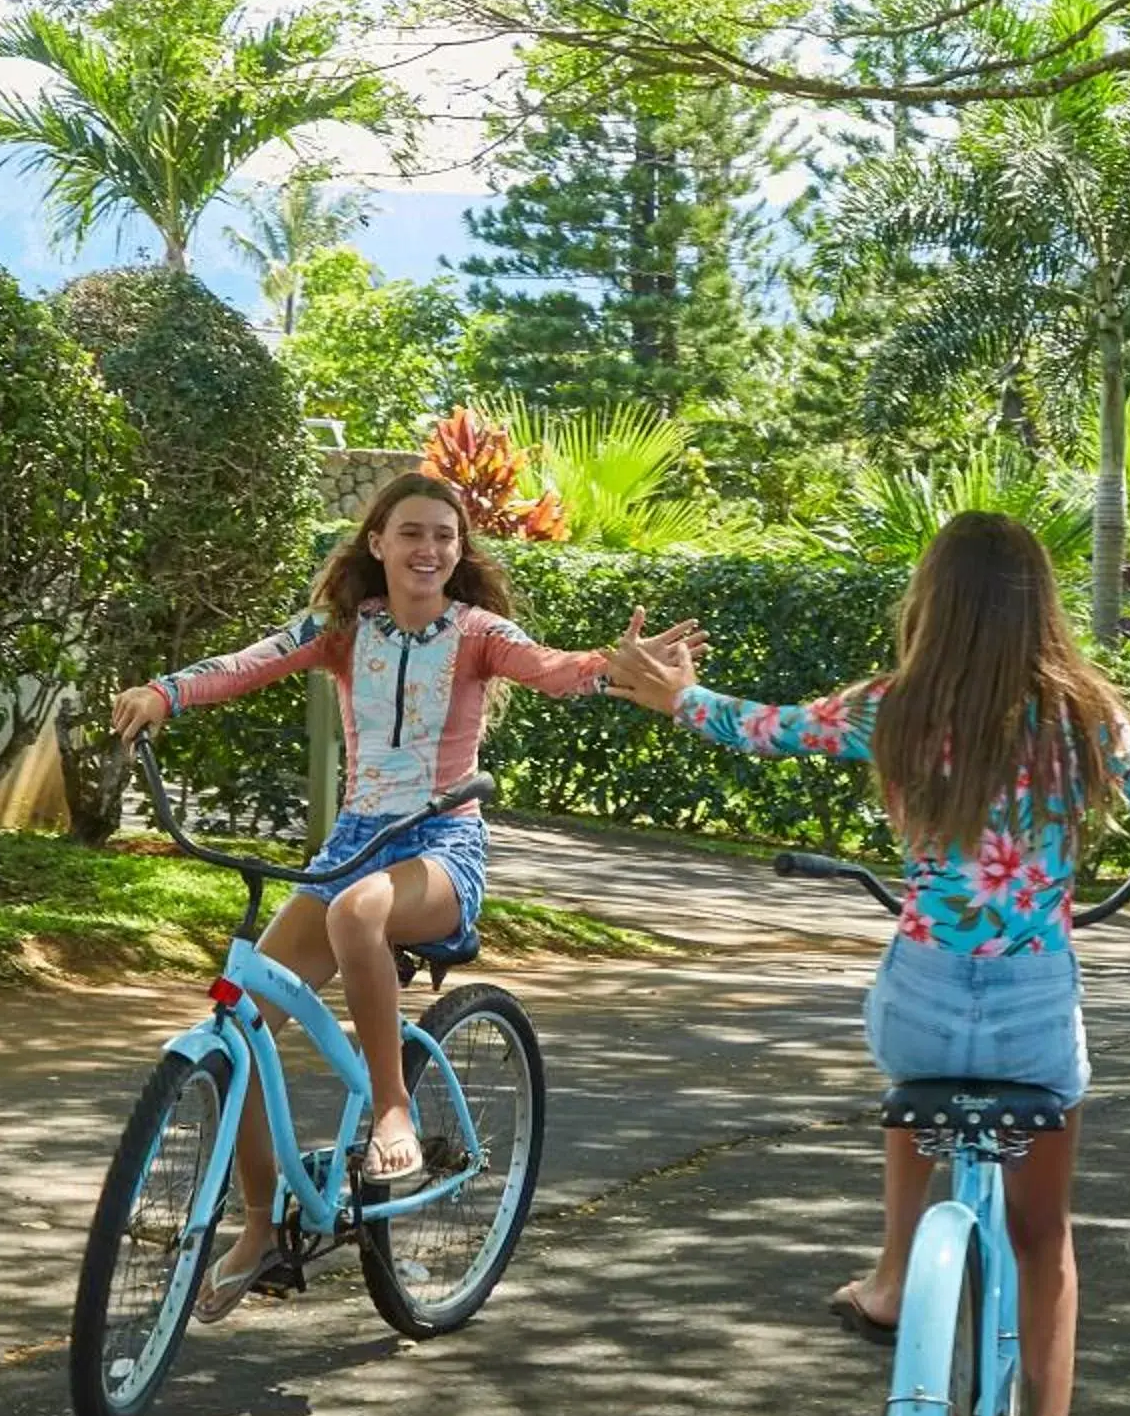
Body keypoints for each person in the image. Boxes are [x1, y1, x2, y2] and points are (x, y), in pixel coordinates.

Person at [606, 507, 1130, 1416]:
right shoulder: (1085, 711)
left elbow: (762, 728)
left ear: (930, 602)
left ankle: (896, 1277)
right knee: (1041, 1235)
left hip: (921, 996)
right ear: (1038, 603)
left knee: (916, 1101)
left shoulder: (893, 704)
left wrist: (674, 693)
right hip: (1034, 1006)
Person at [113, 473, 700, 1321]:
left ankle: (391, 1110)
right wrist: (162, 692)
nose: (430, 550)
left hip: (440, 844)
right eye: (412, 534)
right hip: (353, 842)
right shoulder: (343, 631)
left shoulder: (477, 634)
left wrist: (621, 668)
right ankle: (258, 1227)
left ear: (460, 554)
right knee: (238, 1027)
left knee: (361, 912)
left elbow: (556, 669)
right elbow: (250, 662)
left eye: (446, 537)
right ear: (377, 544)